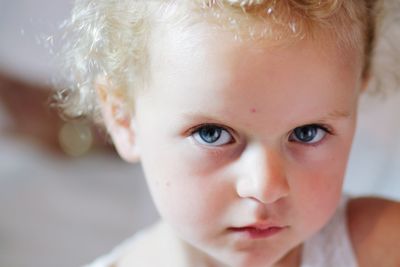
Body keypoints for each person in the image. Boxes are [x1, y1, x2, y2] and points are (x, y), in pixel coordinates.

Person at [59, 0, 400, 266]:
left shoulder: (380, 249)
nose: (266, 187)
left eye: (308, 132)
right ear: (124, 120)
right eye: (212, 134)